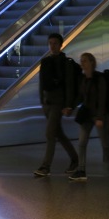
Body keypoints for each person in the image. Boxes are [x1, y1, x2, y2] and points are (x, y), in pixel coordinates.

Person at [33, 33, 79, 177]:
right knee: (58, 133)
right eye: (50, 43)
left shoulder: (66, 63)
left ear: (60, 45)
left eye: (55, 43)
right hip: (47, 102)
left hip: (58, 103)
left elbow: (70, 85)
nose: (52, 46)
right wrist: (42, 100)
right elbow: (42, 83)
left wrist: (69, 105)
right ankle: (75, 159)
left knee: (50, 133)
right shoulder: (45, 62)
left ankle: (46, 166)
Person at [69, 52, 107, 181]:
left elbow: (102, 99)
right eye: (81, 61)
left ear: (92, 62)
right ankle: (81, 169)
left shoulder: (99, 79)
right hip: (87, 115)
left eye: (84, 61)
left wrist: (100, 117)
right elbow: (81, 96)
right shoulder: (83, 79)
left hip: (97, 115)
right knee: (82, 142)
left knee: (106, 144)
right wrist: (71, 107)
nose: (82, 63)